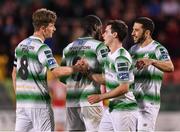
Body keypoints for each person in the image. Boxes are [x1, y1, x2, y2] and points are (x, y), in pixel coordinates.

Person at [11, 8, 80, 132]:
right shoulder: (42, 48)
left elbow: (14, 73)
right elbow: (56, 72)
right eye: (52, 26)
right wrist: (76, 68)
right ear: (43, 28)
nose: (54, 29)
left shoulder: (20, 45)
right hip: (39, 105)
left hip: (22, 105)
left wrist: (19, 96)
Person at [60, 15, 109, 131]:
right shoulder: (99, 46)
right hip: (91, 99)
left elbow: (62, 77)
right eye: (100, 29)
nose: (101, 32)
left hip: (71, 99)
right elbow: (109, 71)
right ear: (95, 28)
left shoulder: (67, 48)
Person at [87, 20, 138, 131]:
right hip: (112, 108)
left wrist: (100, 97)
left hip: (125, 111)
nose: (103, 34)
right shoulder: (110, 55)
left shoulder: (121, 58)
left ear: (115, 34)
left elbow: (124, 88)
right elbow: (109, 79)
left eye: (106, 31)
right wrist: (87, 73)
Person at [129, 17, 174, 131]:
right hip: (132, 102)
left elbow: (170, 67)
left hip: (148, 103)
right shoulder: (132, 50)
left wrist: (152, 61)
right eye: (133, 30)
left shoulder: (158, 49)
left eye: (136, 30)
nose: (132, 33)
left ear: (147, 32)